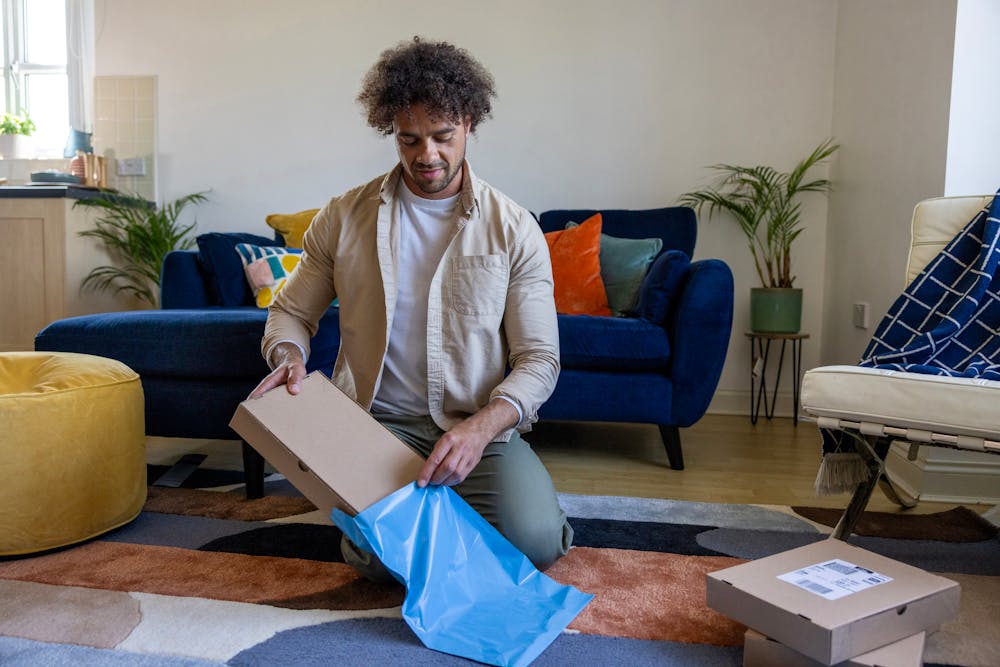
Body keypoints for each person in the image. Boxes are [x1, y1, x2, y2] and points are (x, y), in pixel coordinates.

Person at [251, 37, 572, 581]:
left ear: (469, 123)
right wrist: (286, 355)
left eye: (443, 136)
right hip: (374, 425)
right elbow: (290, 314)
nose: (428, 155)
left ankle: (432, 522)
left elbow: (540, 359)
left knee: (538, 542)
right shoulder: (343, 217)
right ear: (392, 133)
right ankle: (416, 525)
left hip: (476, 428)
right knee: (374, 564)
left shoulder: (515, 228)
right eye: (410, 139)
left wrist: (481, 429)